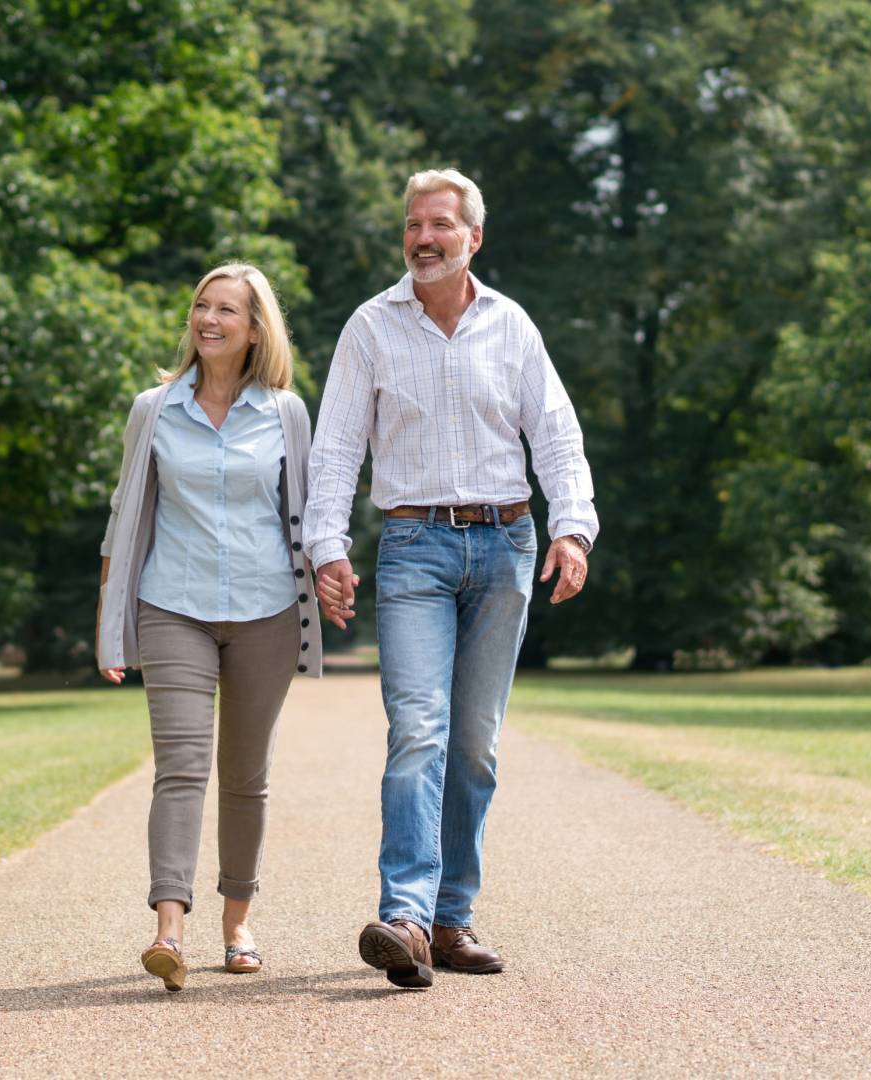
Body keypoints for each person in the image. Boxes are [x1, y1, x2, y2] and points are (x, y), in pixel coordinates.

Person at [305, 169, 598, 989]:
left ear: (474, 236)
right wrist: (327, 548)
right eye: (411, 224)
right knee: (419, 732)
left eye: (440, 224)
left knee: (474, 746)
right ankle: (403, 913)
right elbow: (335, 451)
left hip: (505, 544)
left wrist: (572, 529)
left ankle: (450, 918)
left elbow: (558, 438)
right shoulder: (371, 327)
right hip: (413, 549)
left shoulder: (512, 326)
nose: (423, 237)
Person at [95, 263, 323, 992]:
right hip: (174, 606)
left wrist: (332, 576)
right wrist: (110, 623)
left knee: (246, 776)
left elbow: (310, 516)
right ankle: (168, 930)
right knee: (181, 768)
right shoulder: (153, 409)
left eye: (228, 309)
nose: (210, 319)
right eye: (202, 304)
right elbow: (123, 520)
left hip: (267, 612)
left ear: (256, 330)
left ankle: (237, 922)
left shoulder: (287, 413)